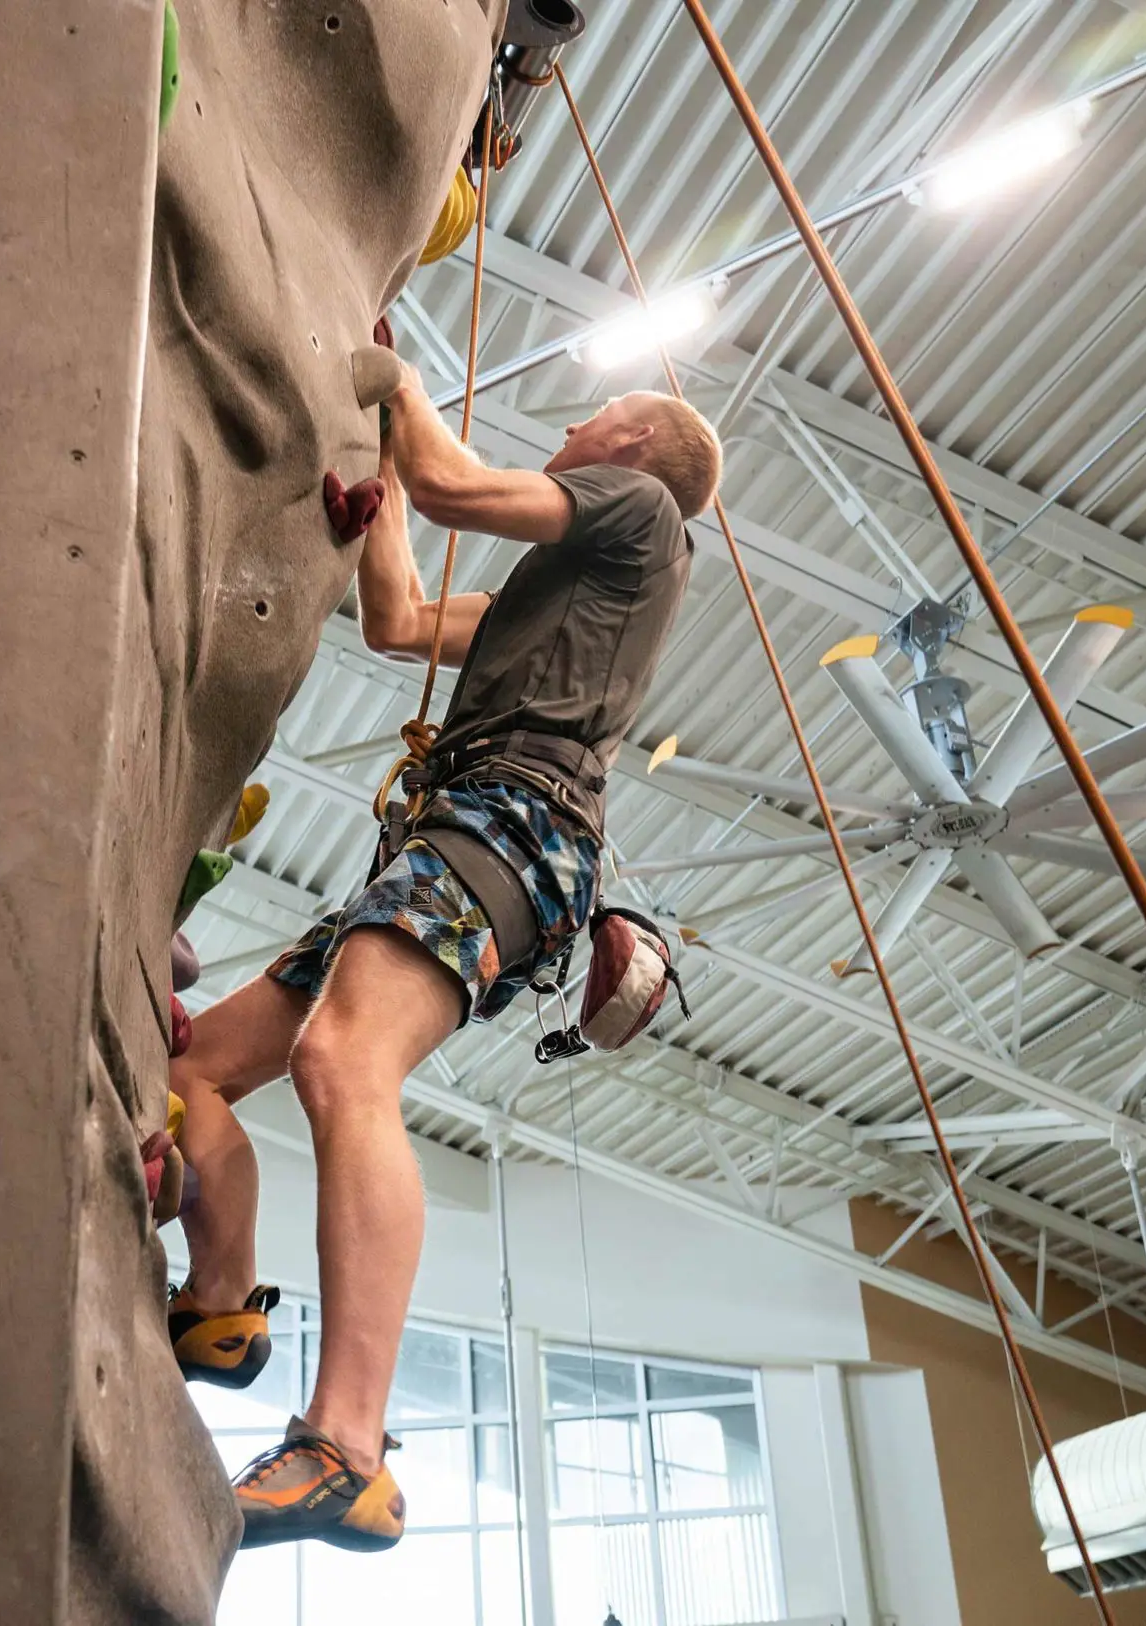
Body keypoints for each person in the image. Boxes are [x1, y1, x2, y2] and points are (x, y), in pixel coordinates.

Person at [168, 355, 723, 1553]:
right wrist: (376, 501)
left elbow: (460, 487)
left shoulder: (646, 513)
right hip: (449, 840)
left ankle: (346, 1448)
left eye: (595, 415)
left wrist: (394, 386)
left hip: (511, 830)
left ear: (633, 444)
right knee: (193, 1072)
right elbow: (403, 622)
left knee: (344, 1066)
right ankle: (222, 1312)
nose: (575, 424)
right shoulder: (556, 597)